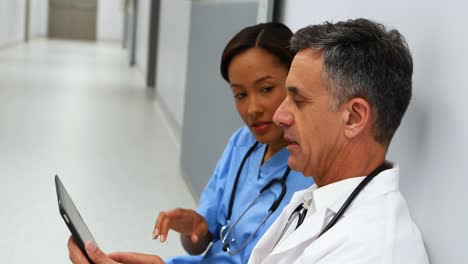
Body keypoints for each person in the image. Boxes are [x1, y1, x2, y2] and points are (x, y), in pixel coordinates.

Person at [68, 22, 313, 264]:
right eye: (240, 94)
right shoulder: (242, 143)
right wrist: (193, 228)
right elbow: (200, 241)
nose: (252, 109)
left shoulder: (314, 170)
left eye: (267, 89)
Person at [247, 18, 429, 263]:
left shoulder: (372, 252)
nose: (279, 116)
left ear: (353, 118)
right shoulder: (318, 199)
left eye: (298, 101)